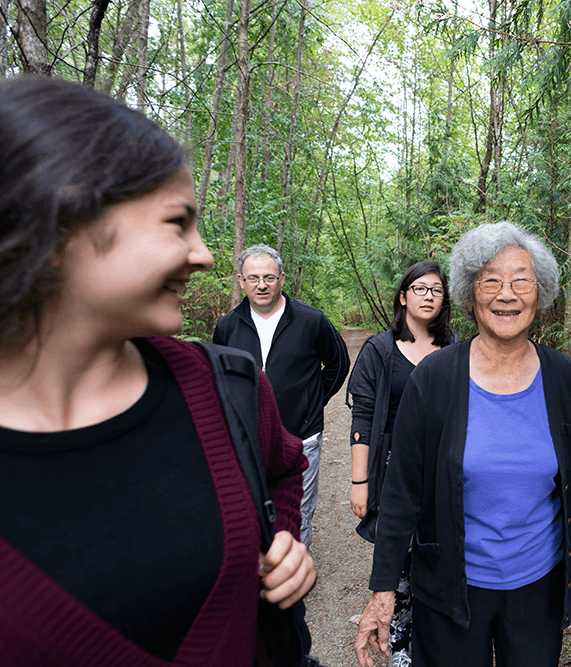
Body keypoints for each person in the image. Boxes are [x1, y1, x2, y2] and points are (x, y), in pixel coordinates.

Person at [0, 76, 315, 665]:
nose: (205, 255)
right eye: (177, 223)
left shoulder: (228, 388)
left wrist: (283, 542)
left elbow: (283, 471)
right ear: (65, 222)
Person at [354, 222, 571, 667]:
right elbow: (401, 492)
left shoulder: (565, 377)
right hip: (450, 586)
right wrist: (382, 591)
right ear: (468, 292)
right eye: (491, 280)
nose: (507, 294)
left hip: (539, 585)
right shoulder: (433, 380)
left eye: (521, 280)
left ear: (541, 292)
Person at [345, 260, 456, 667]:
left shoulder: (455, 348)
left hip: (441, 467)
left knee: (437, 554)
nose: (428, 296)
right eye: (420, 288)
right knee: (399, 560)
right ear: (403, 296)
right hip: (393, 467)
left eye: (436, 290)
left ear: (445, 300)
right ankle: (399, 646)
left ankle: (434, 641)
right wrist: (361, 482)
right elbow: (362, 417)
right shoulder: (380, 349)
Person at [213, 243, 349, 548]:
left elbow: (338, 363)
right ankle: (260, 579)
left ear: (282, 279)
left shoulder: (311, 320)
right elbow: (221, 378)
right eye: (253, 278)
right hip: (247, 439)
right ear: (240, 281)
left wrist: (311, 401)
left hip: (301, 436)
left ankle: (292, 586)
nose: (261, 285)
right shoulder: (227, 327)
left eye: (269, 277)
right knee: (250, 508)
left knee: (297, 511)